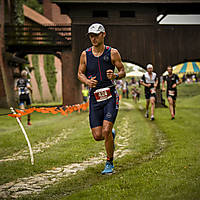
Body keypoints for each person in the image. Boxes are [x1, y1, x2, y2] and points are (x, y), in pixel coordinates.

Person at [78, 23, 126, 174]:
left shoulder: (113, 52)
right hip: (94, 98)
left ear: (103, 34)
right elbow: (79, 73)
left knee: (106, 130)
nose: (93, 38)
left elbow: (123, 71)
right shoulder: (85, 54)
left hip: (110, 96)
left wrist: (115, 76)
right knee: (98, 135)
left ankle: (109, 163)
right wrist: (87, 82)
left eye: (96, 35)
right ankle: (110, 134)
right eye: (91, 36)